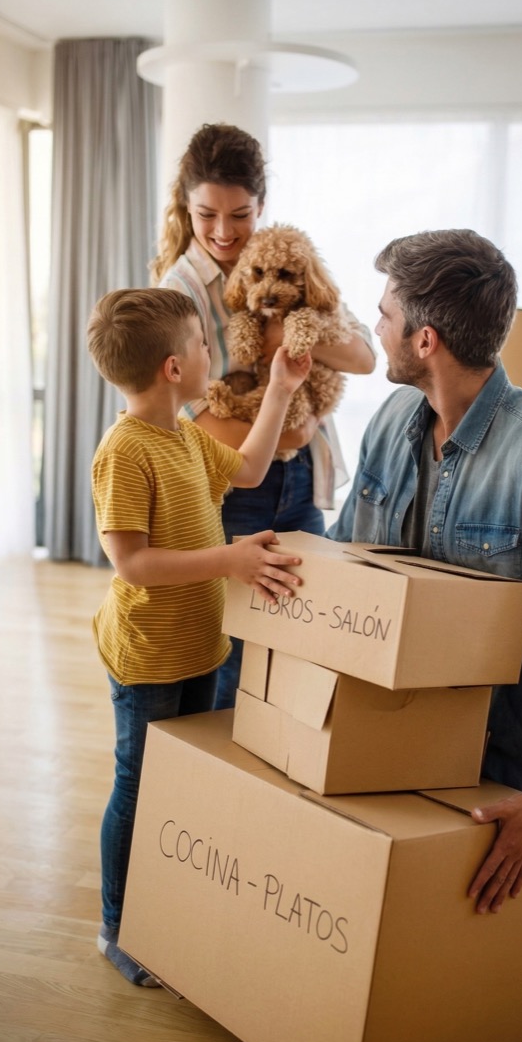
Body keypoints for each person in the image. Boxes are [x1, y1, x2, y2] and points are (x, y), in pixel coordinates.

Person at [327, 229, 522, 1025]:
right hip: (383, 750)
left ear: (423, 339)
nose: (374, 323)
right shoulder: (389, 420)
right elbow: (344, 561)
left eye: (384, 312)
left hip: (495, 774)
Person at [87, 286, 312, 985]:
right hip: (150, 655)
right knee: (140, 781)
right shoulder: (124, 452)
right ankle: (117, 926)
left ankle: (170, 902)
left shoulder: (185, 435)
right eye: (202, 341)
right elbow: (132, 562)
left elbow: (246, 469)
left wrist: (278, 390)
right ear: (173, 368)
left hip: (199, 646)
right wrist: (231, 559)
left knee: (181, 781)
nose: (214, 349)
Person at [150, 122, 375, 708]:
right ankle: (231, 785)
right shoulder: (181, 292)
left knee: (302, 635)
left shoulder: (286, 254)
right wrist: (292, 428)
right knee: (239, 651)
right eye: (206, 215)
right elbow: (201, 426)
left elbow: (364, 354)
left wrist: (284, 327)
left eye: (240, 214)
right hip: (235, 490)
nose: (224, 232)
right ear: (187, 208)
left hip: (299, 483)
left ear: (261, 206)